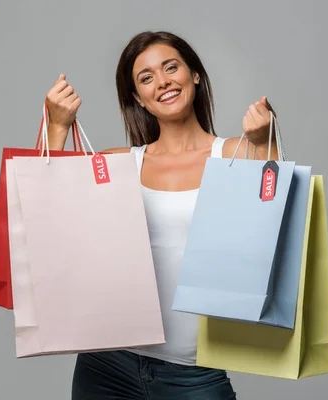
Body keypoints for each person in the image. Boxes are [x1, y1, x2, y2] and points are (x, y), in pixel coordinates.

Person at [44, 31, 279, 400]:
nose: (163, 82)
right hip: (107, 365)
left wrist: (266, 143)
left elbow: (275, 223)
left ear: (195, 75)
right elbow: (48, 211)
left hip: (194, 373)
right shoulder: (121, 163)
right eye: (146, 77)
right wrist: (56, 126)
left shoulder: (234, 154)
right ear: (138, 98)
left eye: (171, 68)